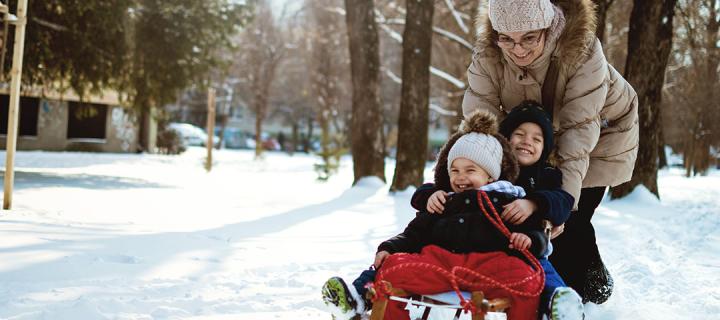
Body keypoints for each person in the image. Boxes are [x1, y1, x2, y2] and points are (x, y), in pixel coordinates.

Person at [463, 0, 639, 304]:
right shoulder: (488, 56)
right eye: (506, 39)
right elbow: (482, 127)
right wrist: (469, 179)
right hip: (538, 136)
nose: (517, 50)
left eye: (529, 38)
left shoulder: (581, 52)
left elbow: (579, 130)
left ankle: (592, 291)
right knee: (520, 212)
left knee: (570, 219)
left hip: (601, 135)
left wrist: (562, 208)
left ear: (548, 27)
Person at [322, 110, 548, 319]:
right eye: (455, 171)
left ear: (490, 176)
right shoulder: (443, 200)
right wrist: (389, 248)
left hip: (489, 268)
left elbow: (536, 233)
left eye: (471, 171)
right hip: (441, 265)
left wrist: (529, 239)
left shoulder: (506, 200)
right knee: (392, 268)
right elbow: (415, 232)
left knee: (527, 280)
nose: (461, 177)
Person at [412, 101, 583, 319]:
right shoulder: (488, 164)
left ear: (545, 147)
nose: (527, 142)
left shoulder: (545, 175)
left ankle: (558, 300)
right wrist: (429, 195)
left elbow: (563, 201)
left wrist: (533, 203)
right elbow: (449, 184)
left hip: (523, 243)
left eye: (536, 139)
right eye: (520, 134)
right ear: (506, 138)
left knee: (539, 266)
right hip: (481, 245)